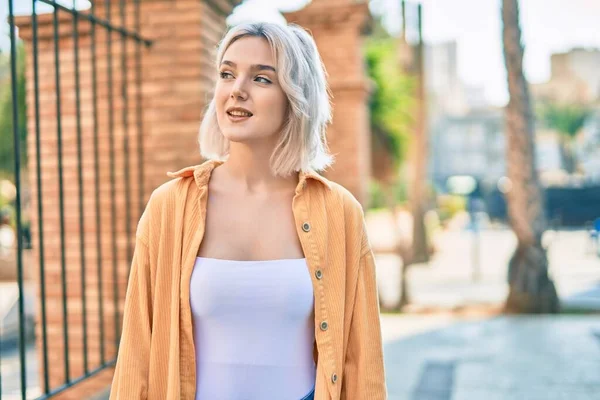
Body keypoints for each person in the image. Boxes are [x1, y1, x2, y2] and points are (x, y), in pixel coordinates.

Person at [110, 22, 386, 400]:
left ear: (295, 96)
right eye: (227, 73)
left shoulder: (339, 213)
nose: (237, 90)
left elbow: (362, 361)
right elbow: (137, 356)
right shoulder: (169, 207)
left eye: (261, 78)